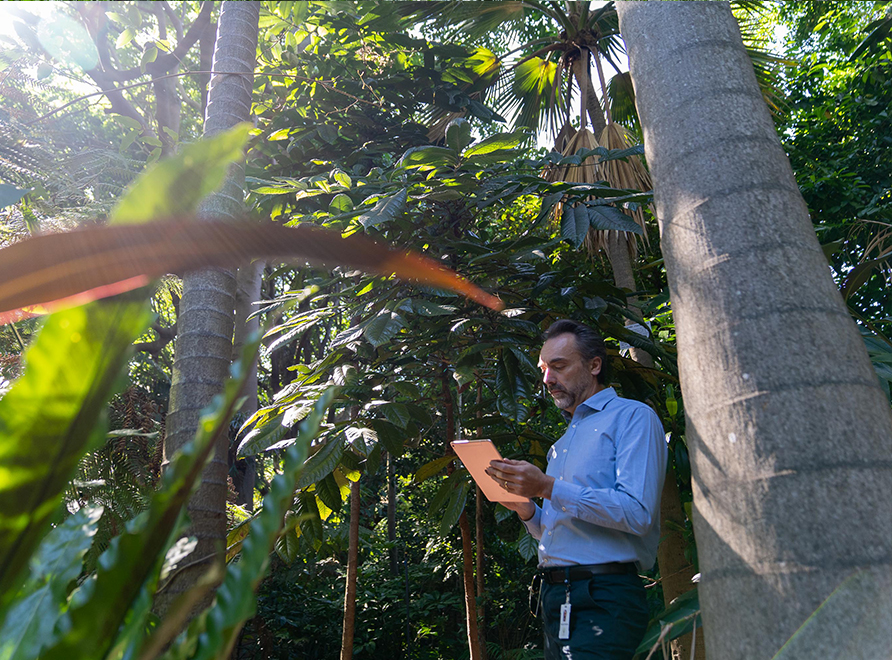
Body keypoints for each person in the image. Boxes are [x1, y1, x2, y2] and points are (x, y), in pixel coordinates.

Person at [486, 319, 667, 660]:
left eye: (559, 366)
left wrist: (548, 486)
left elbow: (637, 513)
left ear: (594, 365)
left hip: (604, 594)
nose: (547, 379)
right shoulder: (563, 442)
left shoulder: (633, 417)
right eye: (543, 369)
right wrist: (526, 507)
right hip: (556, 598)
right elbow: (563, 532)